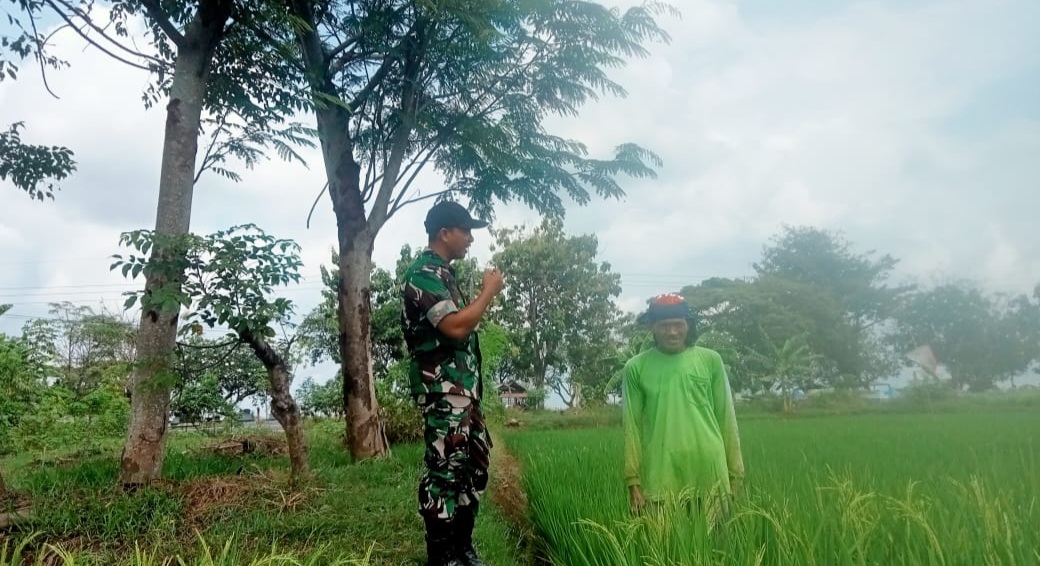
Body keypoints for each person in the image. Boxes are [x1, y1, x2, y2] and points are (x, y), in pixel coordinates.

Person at [400, 200, 505, 566]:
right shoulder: (424, 273)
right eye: (466, 230)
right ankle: (441, 555)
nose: (471, 239)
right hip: (444, 390)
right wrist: (488, 291)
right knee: (445, 470)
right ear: (445, 233)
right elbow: (456, 327)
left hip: (463, 392)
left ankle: (461, 547)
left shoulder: (444, 274)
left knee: (473, 466)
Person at [622, 293, 745, 517]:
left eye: (678, 325)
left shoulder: (710, 361)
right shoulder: (636, 368)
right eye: (664, 326)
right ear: (652, 327)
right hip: (661, 475)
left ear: (688, 326)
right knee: (664, 550)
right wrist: (633, 481)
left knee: (716, 549)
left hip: (710, 473)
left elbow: (726, 418)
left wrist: (736, 473)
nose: (672, 332)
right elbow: (632, 427)